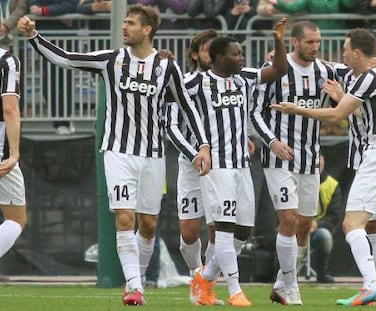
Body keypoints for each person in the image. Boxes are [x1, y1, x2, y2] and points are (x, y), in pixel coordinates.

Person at [17, 4, 211, 306]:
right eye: (125, 22)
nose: (124, 27)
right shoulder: (111, 59)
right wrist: (34, 37)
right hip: (118, 152)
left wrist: (204, 145)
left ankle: (138, 282)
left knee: (148, 225)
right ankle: (135, 287)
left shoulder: (166, 67)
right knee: (125, 218)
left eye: (131, 23)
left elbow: (187, 105)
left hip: (153, 154)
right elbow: (67, 59)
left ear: (147, 30)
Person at [273, 27, 376, 306]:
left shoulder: (366, 77)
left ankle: (372, 285)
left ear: (358, 52)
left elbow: (340, 113)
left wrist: (297, 109)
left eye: (346, 49)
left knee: (352, 224)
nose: (343, 53)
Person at [190, 17, 287, 307]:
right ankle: (235, 290)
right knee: (224, 227)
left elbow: (280, 69)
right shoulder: (197, 83)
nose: (241, 58)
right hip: (216, 166)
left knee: (243, 230)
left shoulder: (244, 77)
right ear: (218, 57)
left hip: (242, 164)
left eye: (241, 54)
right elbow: (172, 101)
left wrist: (278, 41)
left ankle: (205, 277)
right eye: (236, 54)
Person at [251, 20, 337, 305]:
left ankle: (281, 282)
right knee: (287, 218)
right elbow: (254, 112)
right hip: (278, 157)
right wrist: (272, 142)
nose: (315, 47)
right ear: (296, 42)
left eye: (318, 42)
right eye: (310, 42)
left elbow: (344, 100)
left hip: (310, 157)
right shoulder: (276, 70)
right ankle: (292, 285)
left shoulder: (326, 71)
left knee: (304, 224)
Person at [164, 28, 225, 305]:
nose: (210, 54)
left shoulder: (227, 82)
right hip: (191, 165)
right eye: (205, 48)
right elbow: (172, 126)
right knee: (189, 232)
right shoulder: (183, 83)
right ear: (194, 53)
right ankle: (195, 273)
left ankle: (205, 286)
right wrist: (194, 154)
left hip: (220, 166)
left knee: (218, 229)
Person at [28, 0, 78, 135]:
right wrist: (56, 13)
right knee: (48, 85)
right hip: (45, 40)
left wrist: (44, 11)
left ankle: (65, 121)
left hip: (66, 41)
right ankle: (59, 122)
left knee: (64, 83)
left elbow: (72, 5)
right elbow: (32, 6)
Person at [0, 42, 27, 274]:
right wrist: (14, 153)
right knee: (16, 219)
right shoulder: (7, 61)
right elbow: (9, 108)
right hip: (1, 151)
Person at [310, 152, 343, 283]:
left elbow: (334, 217)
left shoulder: (332, 184)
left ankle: (322, 273)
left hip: (317, 229)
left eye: (319, 158)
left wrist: (317, 225)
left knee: (325, 236)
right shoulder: (296, 180)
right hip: (297, 226)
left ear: (323, 159)